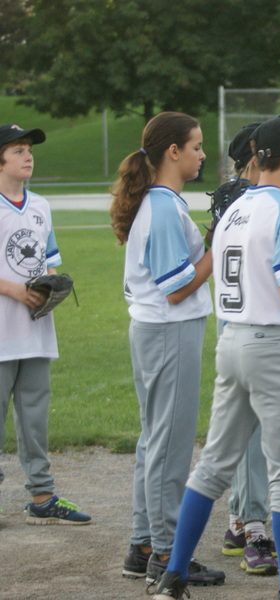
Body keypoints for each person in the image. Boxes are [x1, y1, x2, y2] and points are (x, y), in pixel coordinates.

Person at [151, 116, 280, 600]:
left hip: (233, 343)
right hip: (274, 346)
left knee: (213, 464)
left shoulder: (236, 207)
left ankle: (173, 575)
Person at [109, 112, 222, 585]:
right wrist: (219, 245)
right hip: (169, 329)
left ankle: (143, 545)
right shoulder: (161, 206)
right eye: (195, 146)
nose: (202, 154)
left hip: (159, 330)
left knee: (155, 438)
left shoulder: (162, 202)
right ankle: (165, 553)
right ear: (173, 152)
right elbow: (176, 289)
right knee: (170, 444)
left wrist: (209, 240)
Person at [0, 123, 91, 525]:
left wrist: (51, 286)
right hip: (3, 329)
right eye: (18, 150)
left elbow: (49, 261)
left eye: (30, 150)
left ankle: (42, 495)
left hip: (35, 328)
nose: (28, 156)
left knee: (35, 418)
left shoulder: (40, 206)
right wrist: (16, 291)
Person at [205, 122, 280, 576]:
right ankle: (253, 525)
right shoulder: (256, 201)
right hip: (252, 323)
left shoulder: (236, 200)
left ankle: (239, 519)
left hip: (239, 323)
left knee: (243, 428)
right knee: (251, 430)